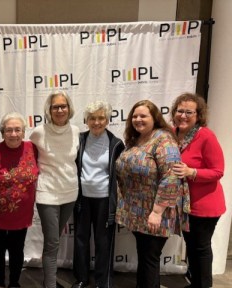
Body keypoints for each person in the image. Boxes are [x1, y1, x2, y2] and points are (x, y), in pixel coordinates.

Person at [115, 100, 185, 288]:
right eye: (135, 116)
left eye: (143, 115)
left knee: (149, 260)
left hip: (155, 213)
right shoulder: (136, 139)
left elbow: (171, 177)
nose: (138, 119)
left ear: (154, 118)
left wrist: (156, 211)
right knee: (146, 257)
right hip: (137, 213)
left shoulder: (164, 139)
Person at [171, 93, 226, 288]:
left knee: (201, 248)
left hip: (205, 204)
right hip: (185, 204)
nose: (183, 116)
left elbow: (218, 171)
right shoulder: (173, 133)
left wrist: (191, 171)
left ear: (198, 115)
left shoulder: (205, 135)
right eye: (180, 111)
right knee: (192, 247)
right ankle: (195, 283)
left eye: (189, 112)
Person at [29, 91, 80, 288]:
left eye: (63, 106)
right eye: (55, 107)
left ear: (69, 108)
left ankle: (48, 281)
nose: (60, 110)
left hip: (70, 191)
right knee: (52, 242)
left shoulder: (76, 131)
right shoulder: (39, 132)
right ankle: (50, 284)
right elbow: (27, 156)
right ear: (49, 110)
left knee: (55, 239)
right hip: (47, 193)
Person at [72, 100, 125, 288]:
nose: (96, 122)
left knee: (104, 243)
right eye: (92, 118)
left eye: (101, 118)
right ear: (86, 120)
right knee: (80, 239)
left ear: (108, 120)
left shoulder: (116, 144)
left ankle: (103, 281)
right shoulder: (79, 139)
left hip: (105, 200)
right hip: (82, 199)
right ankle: (81, 278)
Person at [0, 112, 39, 288]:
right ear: (2, 132)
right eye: (9, 130)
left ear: (23, 132)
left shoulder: (33, 148)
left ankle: (15, 283)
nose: (13, 134)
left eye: (18, 130)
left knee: (17, 251)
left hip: (21, 215)